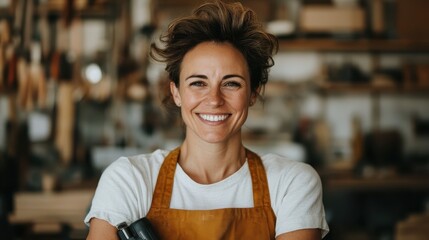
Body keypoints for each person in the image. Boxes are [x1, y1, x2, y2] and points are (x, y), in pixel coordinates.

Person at [84, 1, 329, 239]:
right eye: (198, 83)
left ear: (253, 93)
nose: (214, 99)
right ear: (176, 92)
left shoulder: (291, 183)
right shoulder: (130, 179)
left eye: (231, 83)